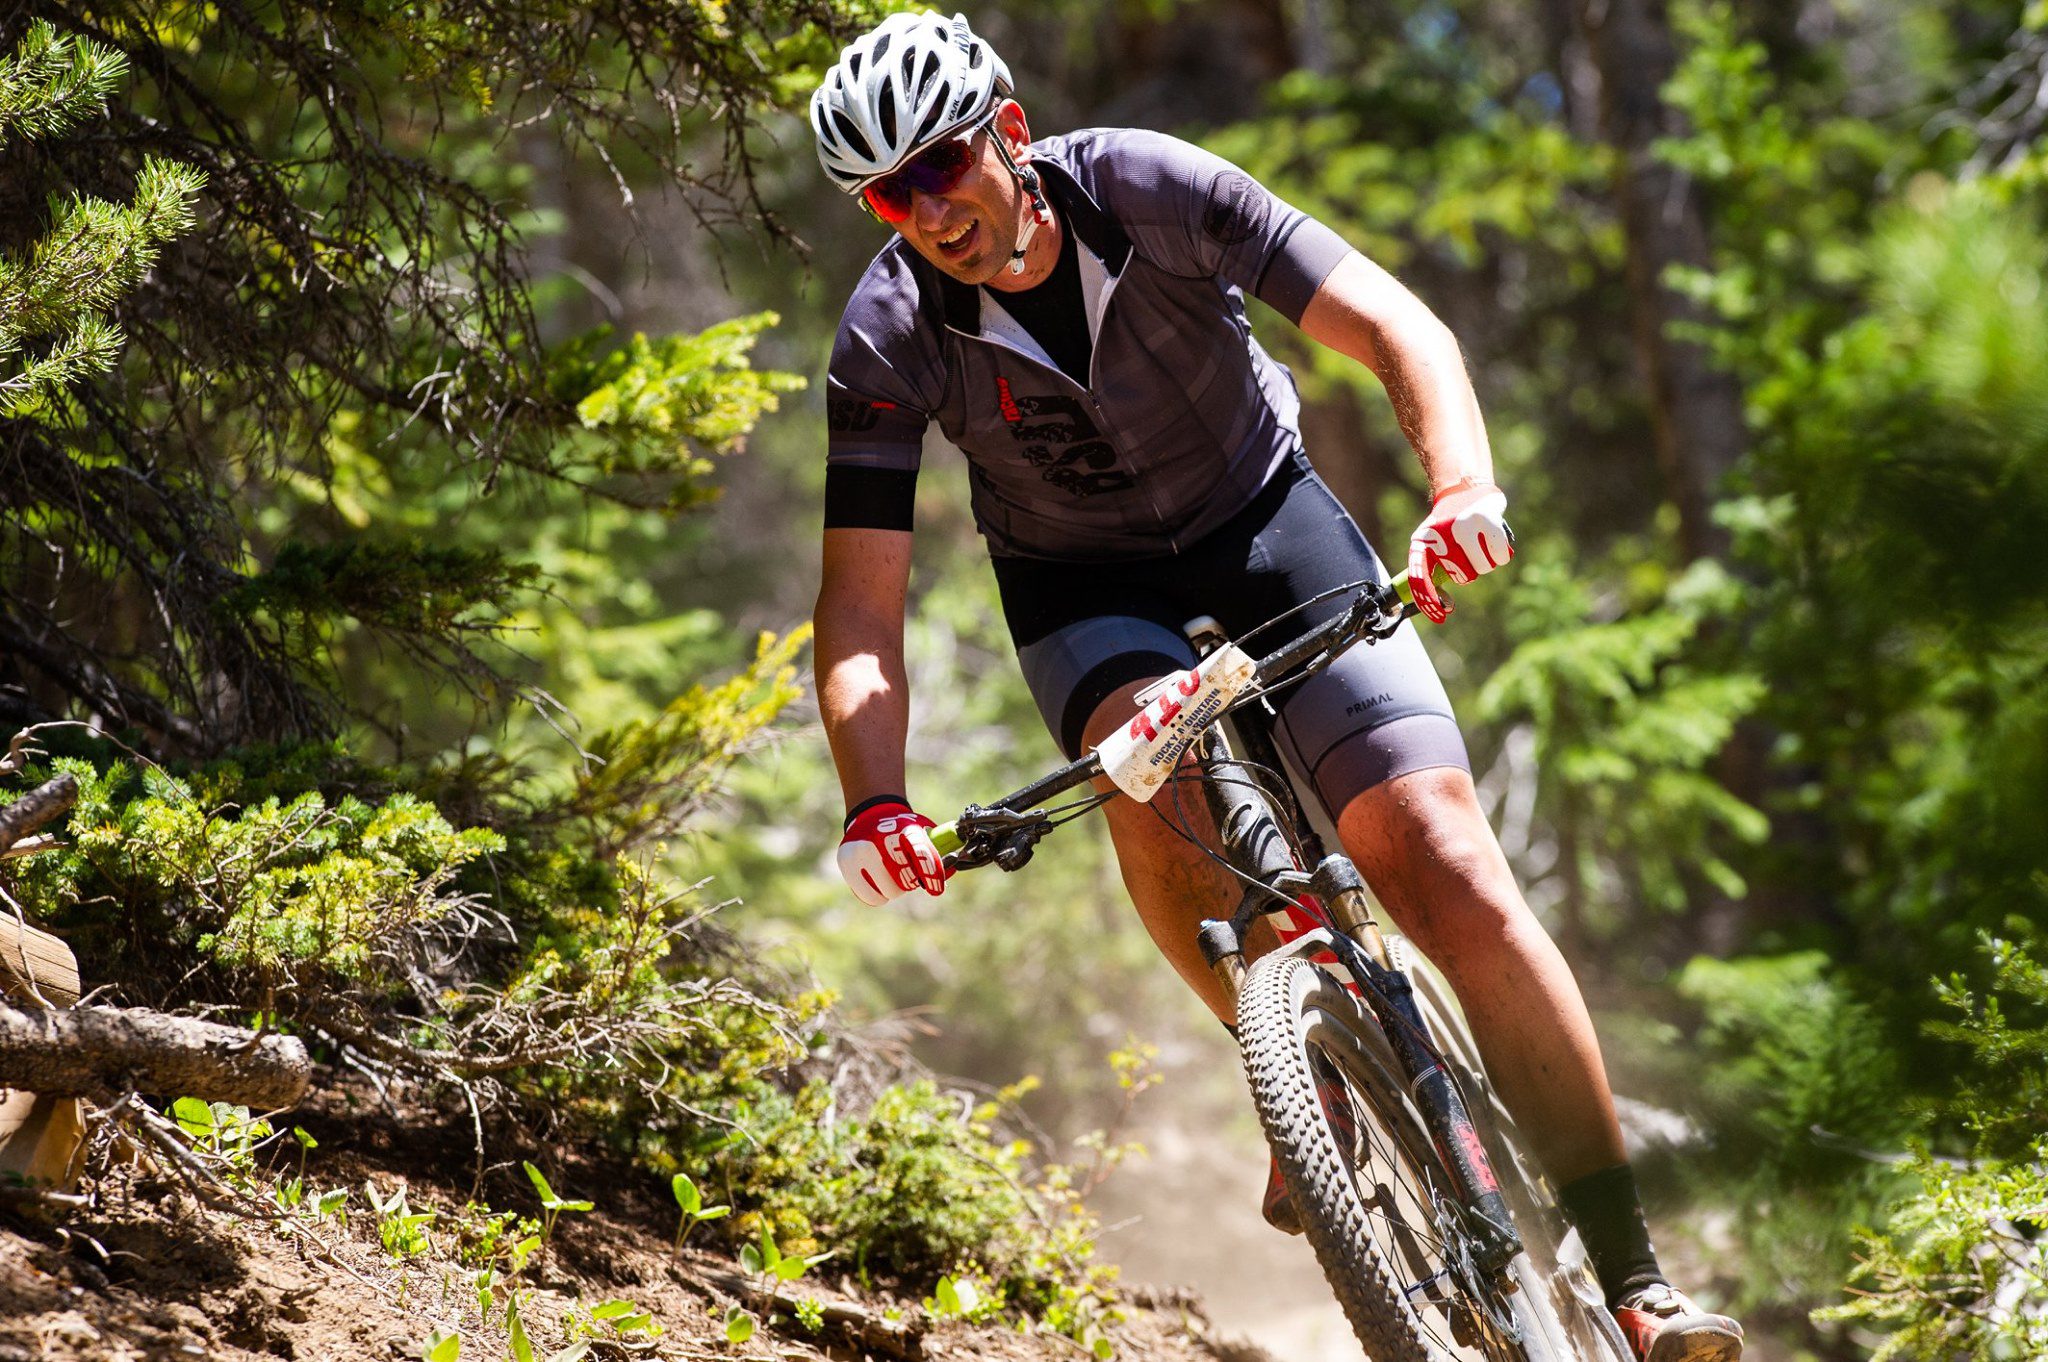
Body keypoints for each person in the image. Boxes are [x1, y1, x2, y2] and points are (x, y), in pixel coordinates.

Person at [809, 12, 1742, 1361]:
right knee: (1148, 766)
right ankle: (1296, 1056)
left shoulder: (1149, 186)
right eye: (892, 196)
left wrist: (1460, 486)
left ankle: (1638, 1284)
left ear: (1007, 130)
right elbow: (858, 607)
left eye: (943, 165)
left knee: (1440, 856)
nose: (930, 211)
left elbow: (1398, 325)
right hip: (1083, 589)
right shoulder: (889, 334)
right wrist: (874, 801)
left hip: (1265, 520)